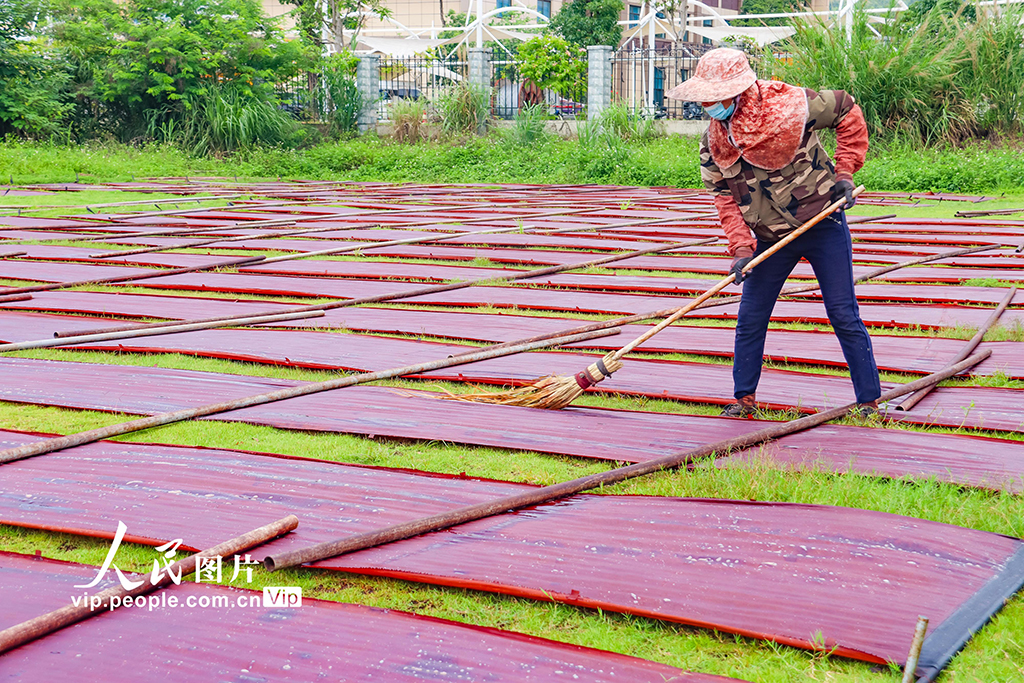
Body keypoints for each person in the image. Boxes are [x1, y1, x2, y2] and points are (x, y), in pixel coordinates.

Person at [666, 48, 881, 418]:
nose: (708, 106)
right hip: (771, 237)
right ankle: (743, 400)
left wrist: (845, 173)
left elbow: (846, 108)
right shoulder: (714, 143)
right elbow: (724, 200)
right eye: (704, 99)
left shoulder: (793, 106)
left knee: (843, 312)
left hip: (822, 222)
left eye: (714, 97)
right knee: (751, 315)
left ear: (736, 91)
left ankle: (869, 401)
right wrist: (740, 249)